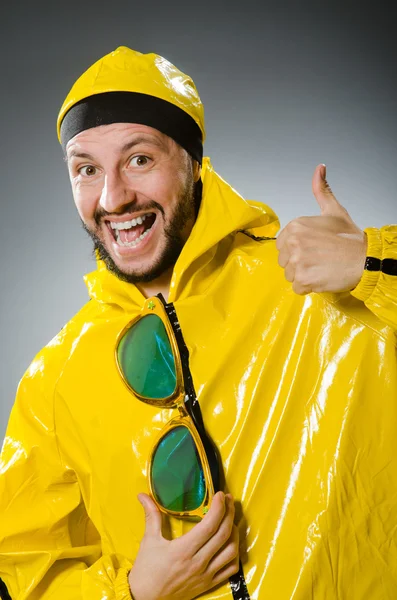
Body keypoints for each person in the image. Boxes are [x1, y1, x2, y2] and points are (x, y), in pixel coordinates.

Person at [0, 45, 396, 600]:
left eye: (140, 159)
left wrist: (374, 263)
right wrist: (136, 593)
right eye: (86, 170)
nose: (113, 198)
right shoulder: (53, 382)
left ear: (192, 162)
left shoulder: (317, 283)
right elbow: (24, 577)